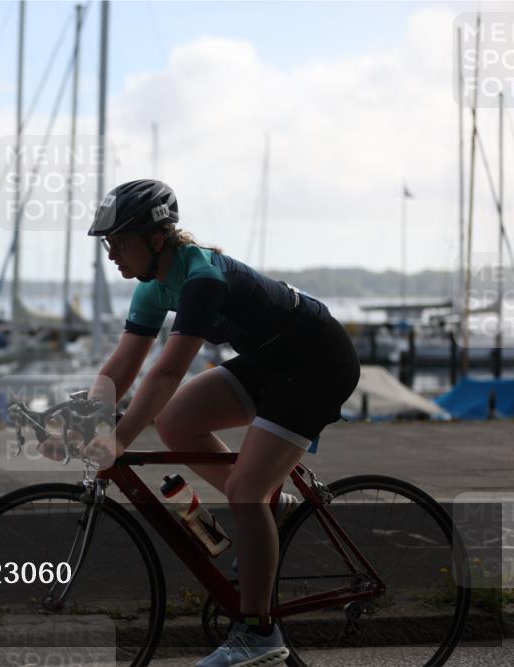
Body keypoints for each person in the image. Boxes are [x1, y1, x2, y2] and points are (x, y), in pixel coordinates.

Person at [37, 179, 360, 667]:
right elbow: (121, 368)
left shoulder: (202, 277)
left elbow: (167, 371)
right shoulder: (151, 286)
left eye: (119, 243)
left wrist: (119, 439)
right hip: (272, 360)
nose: (111, 255)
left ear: (157, 238)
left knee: (245, 490)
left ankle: (259, 636)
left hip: (318, 364)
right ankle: (272, 511)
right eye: (108, 244)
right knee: (176, 423)